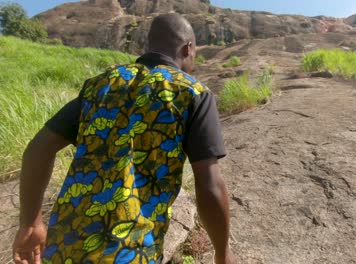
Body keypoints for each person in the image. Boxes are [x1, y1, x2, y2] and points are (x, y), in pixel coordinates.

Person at [12, 13, 236, 264]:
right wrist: (223, 253)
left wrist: (30, 222)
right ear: (188, 49)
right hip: (132, 252)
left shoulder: (101, 84)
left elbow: (39, 147)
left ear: (148, 46)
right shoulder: (192, 93)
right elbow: (209, 183)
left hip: (66, 247)